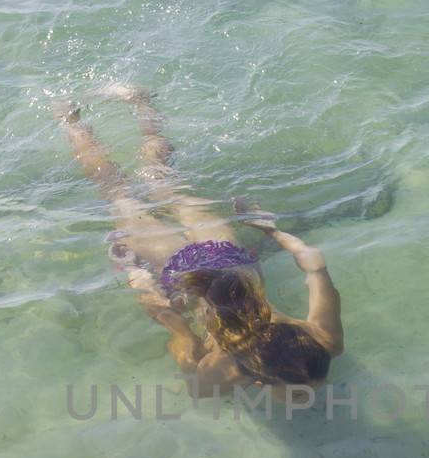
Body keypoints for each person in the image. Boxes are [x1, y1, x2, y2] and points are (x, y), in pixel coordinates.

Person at [56, 85, 343, 400]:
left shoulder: (325, 340)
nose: (306, 397)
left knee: (162, 180)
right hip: (181, 273)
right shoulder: (224, 373)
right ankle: (68, 117)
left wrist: (268, 230)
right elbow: (181, 340)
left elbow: (312, 260)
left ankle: (138, 102)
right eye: (298, 393)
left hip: (226, 257)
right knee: (117, 192)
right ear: (258, 377)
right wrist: (149, 293)